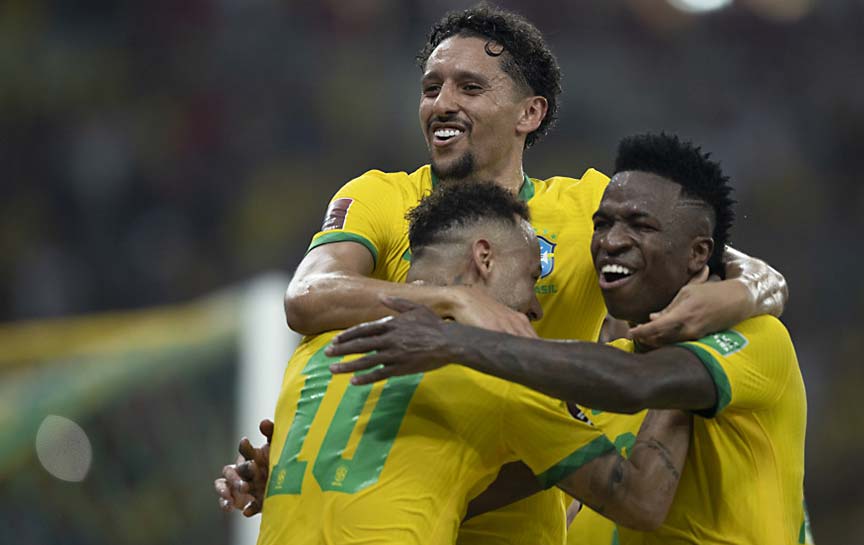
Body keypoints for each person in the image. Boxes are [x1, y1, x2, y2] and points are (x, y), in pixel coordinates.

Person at [217, 6, 789, 544]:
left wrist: (740, 293)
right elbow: (309, 296)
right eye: (430, 87)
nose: (442, 102)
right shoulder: (379, 196)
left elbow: (720, 261)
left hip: (513, 517)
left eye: (470, 87)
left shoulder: (587, 207)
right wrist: (455, 307)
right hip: (415, 496)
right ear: (483, 260)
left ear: (529, 113)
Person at [328, 133, 807, 544]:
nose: (609, 242)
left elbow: (635, 383)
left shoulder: (755, 338)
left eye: (640, 225)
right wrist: (323, 477)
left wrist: (454, 340)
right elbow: (467, 493)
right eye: (602, 224)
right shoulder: (597, 381)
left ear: (698, 252)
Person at [257, 180, 693, 544]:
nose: (536, 309)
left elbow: (401, 479)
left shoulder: (314, 355)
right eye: (531, 279)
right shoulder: (491, 377)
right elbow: (639, 500)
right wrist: (684, 367)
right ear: (484, 258)